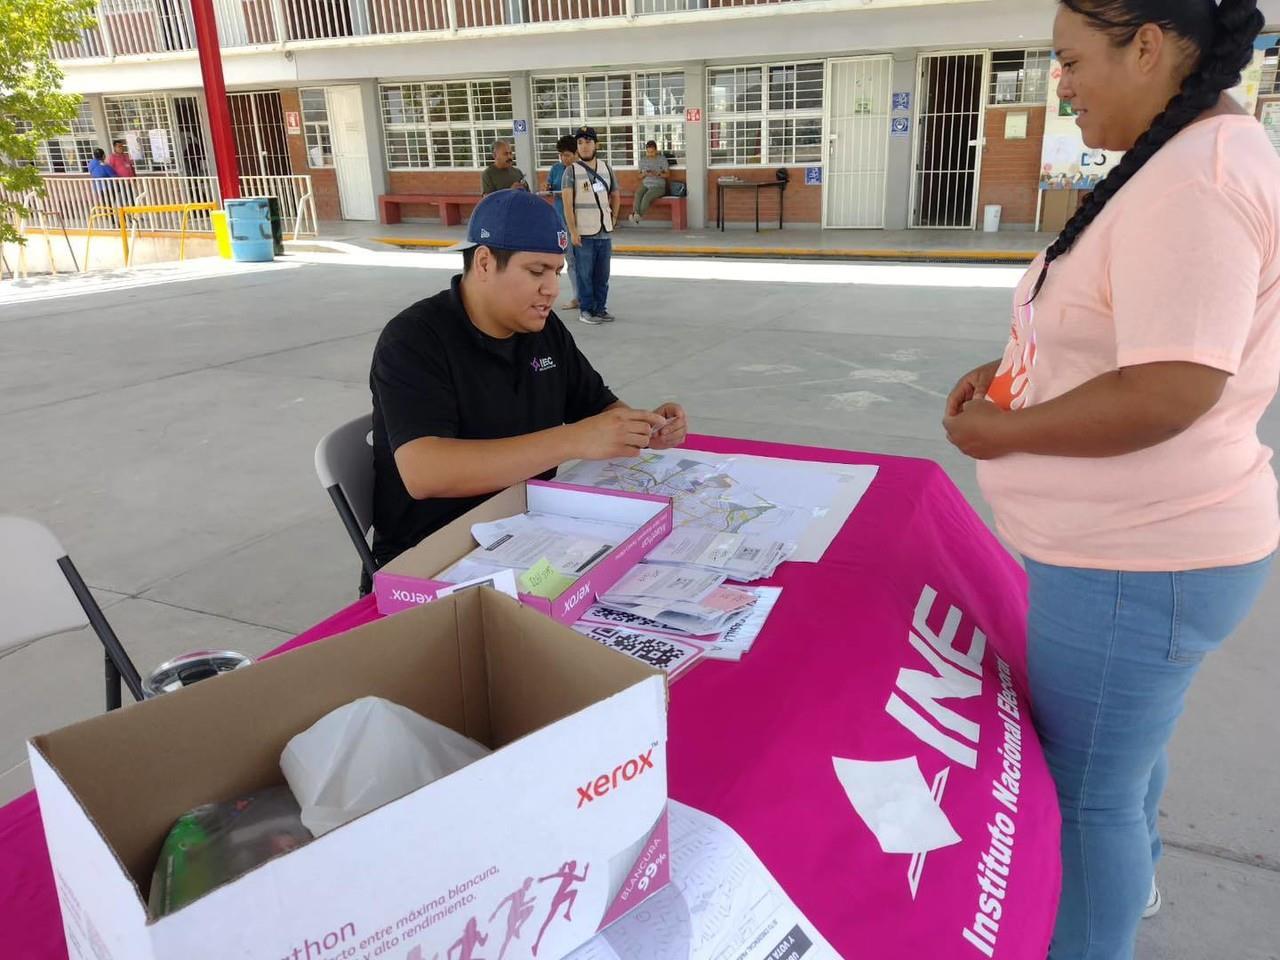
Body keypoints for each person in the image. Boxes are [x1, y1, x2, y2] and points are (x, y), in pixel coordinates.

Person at [942, 2, 1276, 958]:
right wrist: (1013, 374)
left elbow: (1171, 388)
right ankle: (1132, 891)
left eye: (1070, 59)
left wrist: (1009, 436)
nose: (1062, 82)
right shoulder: (1194, 155)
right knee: (1123, 771)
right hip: (1144, 552)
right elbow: (1130, 337)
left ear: (1149, 45)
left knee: (1085, 799)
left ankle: (1098, 931)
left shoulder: (1195, 179)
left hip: (1140, 560)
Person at [368, 188, 688, 572]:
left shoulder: (542, 328)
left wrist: (643, 427)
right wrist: (574, 439)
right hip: (438, 552)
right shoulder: (415, 339)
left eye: (557, 271)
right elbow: (425, 473)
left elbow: (599, 407)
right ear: (484, 262)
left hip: (531, 529)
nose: (552, 289)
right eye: (536, 271)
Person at [561, 126, 619, 325]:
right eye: (580, 143)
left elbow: (615, 195)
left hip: (604, 232)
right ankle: (586, 310)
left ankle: (600, 309)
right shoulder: (571, 171)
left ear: (596, 144)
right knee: (584, 275)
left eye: (588, 142)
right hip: (584, 233)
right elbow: (567, 204)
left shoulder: (606, 167)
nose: (584, 146)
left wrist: (614, 218)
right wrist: (573, 231)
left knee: (602, 275)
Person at [545, 135, 579, 311]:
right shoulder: (556, 169)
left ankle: (588, 295)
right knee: (570, 260)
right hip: (562, 221)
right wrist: (550, 189)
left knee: (585, 261)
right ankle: (577, 297)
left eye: (567, 155)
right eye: (561, 155)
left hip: (581, 222)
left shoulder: (581, 170)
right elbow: (549, 186)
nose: (563, 159)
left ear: (575, 154)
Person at [629, 140, 669, 224]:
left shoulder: (662, 159)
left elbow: (668, 174)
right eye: (648, 152)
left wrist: (658, 174)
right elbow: (638, 176)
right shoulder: (643, 160)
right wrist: (644, 174)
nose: (650, 154)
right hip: (646, 184)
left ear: (656, 150)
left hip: (658, 186)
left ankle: (638, 216)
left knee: (647, 197)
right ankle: (636, 213)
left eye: (652, 152)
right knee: (638, 194)